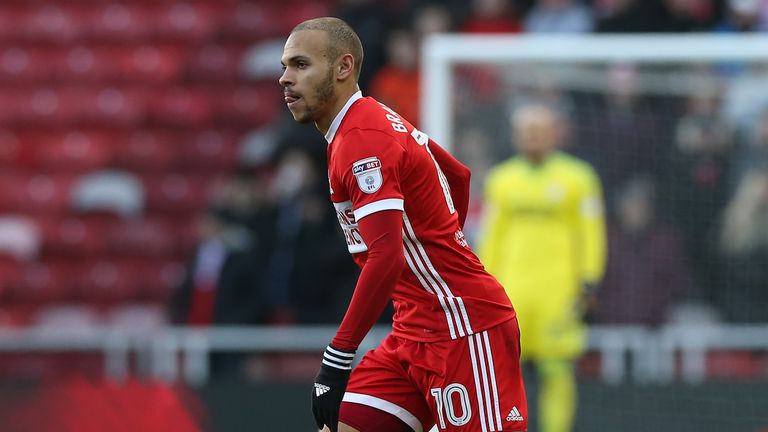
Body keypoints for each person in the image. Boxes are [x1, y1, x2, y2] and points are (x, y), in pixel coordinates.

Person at [279, 17, 527, 432]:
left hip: (463, 329)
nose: (286, 79)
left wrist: (338, 356)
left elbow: (386, 255)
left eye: (301, 65)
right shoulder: (368, 122)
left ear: (343, 68)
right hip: (414, 329)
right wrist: (440, 247)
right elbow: (458, 175)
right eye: (285, 66)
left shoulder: (362, 137)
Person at [478, 104, 606, 432]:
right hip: (511, 291)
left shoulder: (578, 178)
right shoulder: (502, 180)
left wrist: (589, 281)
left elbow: (591, 234)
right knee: (504, 373)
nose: (532, 137)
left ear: (555, 133)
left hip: (559, 292)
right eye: (526, 131)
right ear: (515, 136)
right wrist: (480, 284)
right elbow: (491, 237)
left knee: (556, 369)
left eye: (539, 130)